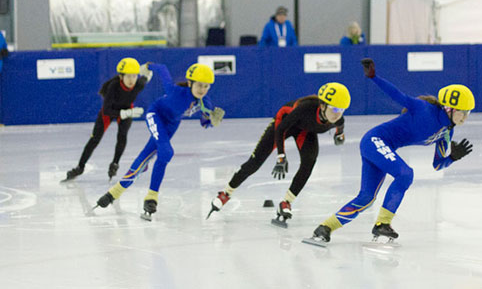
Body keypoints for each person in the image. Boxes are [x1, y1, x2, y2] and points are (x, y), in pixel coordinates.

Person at [307, 58, 474, 244]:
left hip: (381, 148)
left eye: (469, 113)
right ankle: (382, 224)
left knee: (366, 198)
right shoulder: (424, 109)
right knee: (405, 174)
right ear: (449, 108)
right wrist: (374, 77)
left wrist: (452, 157)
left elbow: (437, 165)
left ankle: (325, 227)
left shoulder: (447, 131)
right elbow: (397, 95)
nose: (466, 117)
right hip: (375, 140)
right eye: (463, 111)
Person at [207, 82, 351, 227]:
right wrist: (281, 156)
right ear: (323, 105)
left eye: (342, 110)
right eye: (335, 109)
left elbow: (340, 126)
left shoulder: (338, 119)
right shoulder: (305, 109)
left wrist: (339, 136)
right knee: (255, 162)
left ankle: (286, 202)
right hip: (284, 125)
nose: (338, 114)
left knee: (309, 161)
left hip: (305, 130)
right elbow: (281, 129)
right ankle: (225, 193)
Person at [95, 63, 225, 220]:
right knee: (166, 151)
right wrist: (150, 66)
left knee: (148, 157)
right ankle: (151, 197)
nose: (202, 90)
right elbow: (164, 69)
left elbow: (204, 123)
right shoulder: (175, 91)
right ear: (190, 83)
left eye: (206, 86)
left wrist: (211, 121)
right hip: (155, 114)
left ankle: (113, 193)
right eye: (199, 85)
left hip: (171, 125)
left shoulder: (205, 103)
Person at [63, 58, 152, 181]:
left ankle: (115, 163)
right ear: (121, 77)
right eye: (128, 76)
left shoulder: (139, 84)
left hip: (126, 110)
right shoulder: (113, 86)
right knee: (94, 139)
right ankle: (80, 167)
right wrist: (127, 113)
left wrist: (147, 69)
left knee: (122, 136)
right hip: (111, 111)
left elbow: (146, 76)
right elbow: (107, 110)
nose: (132, 80)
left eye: (134, 76)